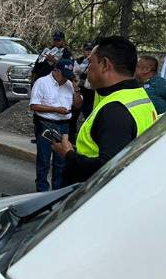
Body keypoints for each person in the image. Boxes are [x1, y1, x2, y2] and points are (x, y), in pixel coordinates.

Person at [52, 36, 157, 184]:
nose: (87, 69)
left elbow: (107, 170)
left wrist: (68, 154)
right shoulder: (138, 95)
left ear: (105, 65)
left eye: (90, 62)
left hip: (92, 193)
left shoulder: (115, 110)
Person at [30, 58, 81, 192]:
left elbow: (77, 105)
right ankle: (42, 191)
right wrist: (56, 109)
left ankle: (57, 191)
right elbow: (34, 106)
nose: (66, 79)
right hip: (46, 124)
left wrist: (76, 88)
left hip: (64, 126)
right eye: (64, 75)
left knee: (61, 161)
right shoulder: (42, 82)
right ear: (56, 71)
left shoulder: (69, 84)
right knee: (44, 160)